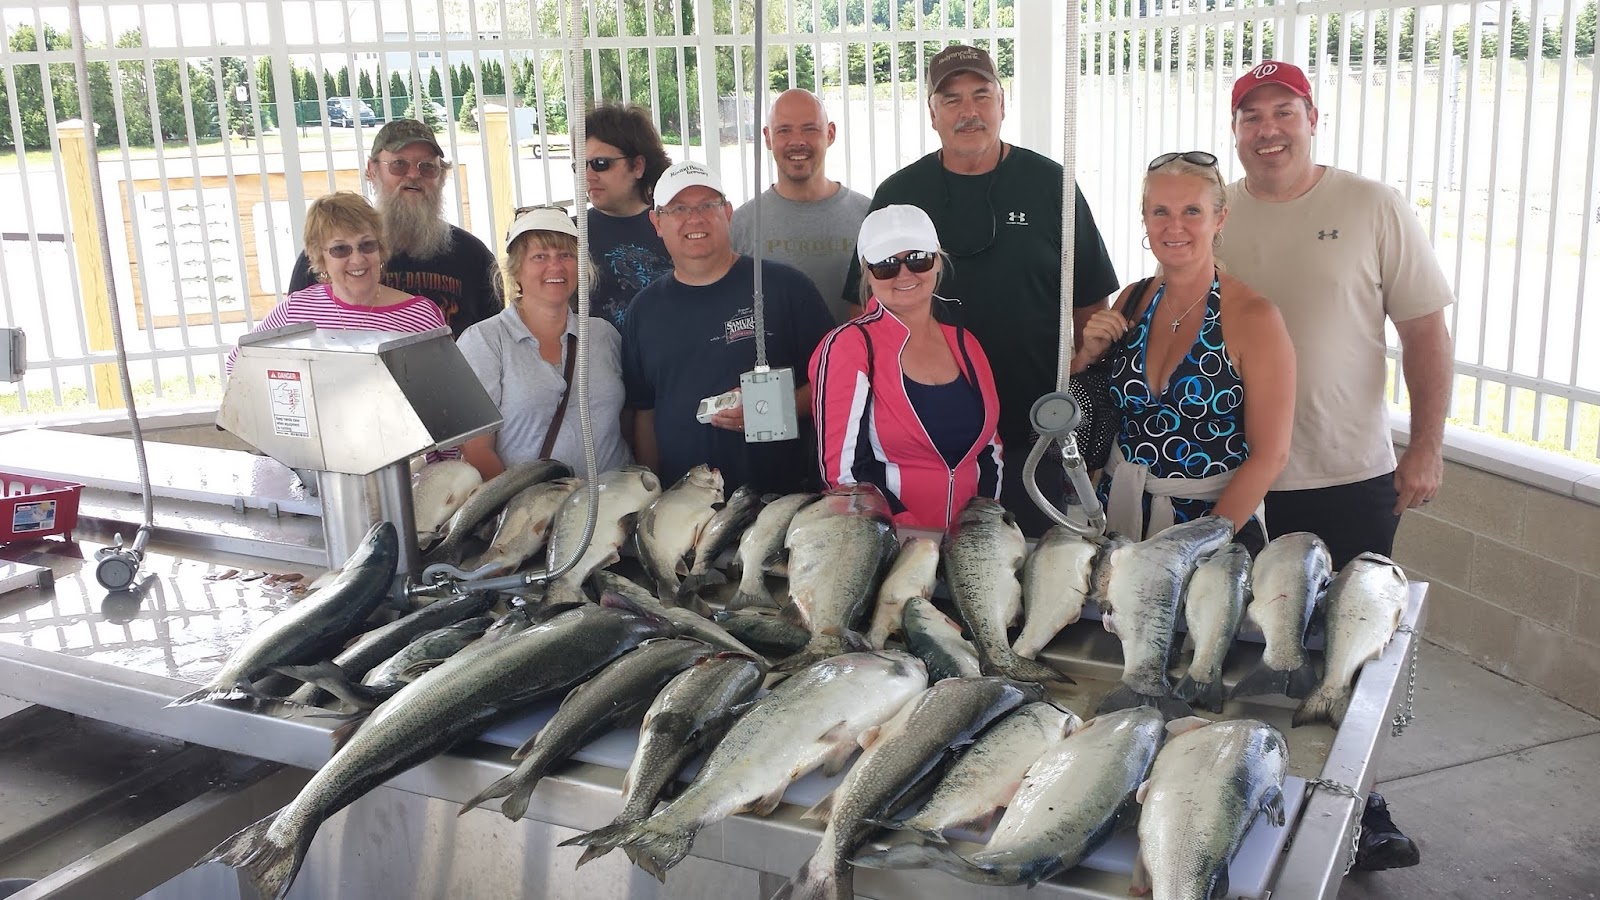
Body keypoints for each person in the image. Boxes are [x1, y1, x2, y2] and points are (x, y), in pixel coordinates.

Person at [1220, 59, 1455, 872]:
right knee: (1255, 650)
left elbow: (1426, 330)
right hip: (1239, 480)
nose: (1268, 130)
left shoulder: (1368, 205)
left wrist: (1425, 444)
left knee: (1350, 649)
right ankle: (1255, 796)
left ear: (1310, 116)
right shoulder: (1218, 215)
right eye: (1252, 116)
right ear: (1237, 130)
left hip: (1348, 472)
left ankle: (1364, 808)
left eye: (1283, 111)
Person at [846, 44, 1121, 536]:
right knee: (924, 583)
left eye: (981, 94)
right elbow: (862, 311)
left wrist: (1078, 372)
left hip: (1031, 434)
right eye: (951, 99)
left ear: (1002, 102)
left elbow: (1090, 302)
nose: (968, 111)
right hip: (920, 446)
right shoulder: (899, 195)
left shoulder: (1053, 185)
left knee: (1027, 579)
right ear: (931, 113)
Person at [1072, 152, 1295, 550]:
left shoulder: (1253, 317)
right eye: (1160, 211)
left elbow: (1270, 456)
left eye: (1192, 211)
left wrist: (1197, 543)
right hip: (1119, 521)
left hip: (1213, 530)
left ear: (1219, 218)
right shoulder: (1133, 299)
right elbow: (1088, 411)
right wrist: (1087, 357)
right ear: (1144, 218)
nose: (1175, 226)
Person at [622, 160, 835, 496]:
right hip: (683, 512)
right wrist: (653, 494)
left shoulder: (785, 288)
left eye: (707, 205)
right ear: (657, 222)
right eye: (678, 208)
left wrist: (775, 406)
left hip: (777, 504)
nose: (694, 218)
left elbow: (836, 383)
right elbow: (644, 412)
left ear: (728, 212)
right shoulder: (643, 310)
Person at [811, 205, 1002, 531]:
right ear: (867, 273)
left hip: (968, 546)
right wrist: (911, 536)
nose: (904, 273)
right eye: (886, 265)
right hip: (889, 549)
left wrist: (981, 527)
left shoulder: (965, 342)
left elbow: (990, 449)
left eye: (918, 258)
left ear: (938, 261)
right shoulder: (849, 346)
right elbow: (843, 477)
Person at [455, 206, 631, 480]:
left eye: (566, 255)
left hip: (613, 507)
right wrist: (523, 509)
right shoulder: (485, 342)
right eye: (540, 256)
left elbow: (626, 421)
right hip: (534, 514)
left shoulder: (604, 336)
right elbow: (477, 450)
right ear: (516, 270)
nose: (556, 266)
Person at [285, 119, 500, 337]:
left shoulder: (473, 256)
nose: (414, 175)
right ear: (372, 170)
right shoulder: (329, 253)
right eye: (399, 164)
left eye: (427, 166)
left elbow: (494, 343)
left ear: (441, 176)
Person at [229, 191, 447, 373]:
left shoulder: (421, 315)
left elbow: (446, 388)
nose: (357, 259)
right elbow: (237, 364)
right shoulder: (295, 310)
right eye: (340, 249)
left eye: (367, 245)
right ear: (320, 256)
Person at [730, 89, 871, 323]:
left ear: (831, 133)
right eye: (784, 130)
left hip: (856, 359)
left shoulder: (867, 215)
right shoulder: (740, 225)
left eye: (810, 129)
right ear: (767, 137)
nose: (797, 141)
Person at [583, 104, 676, 330]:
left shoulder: (677, 222)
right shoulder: (570, 234)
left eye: (600, 164)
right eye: (580, 166)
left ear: (637, 165)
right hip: (600, 362)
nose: (588, 176)